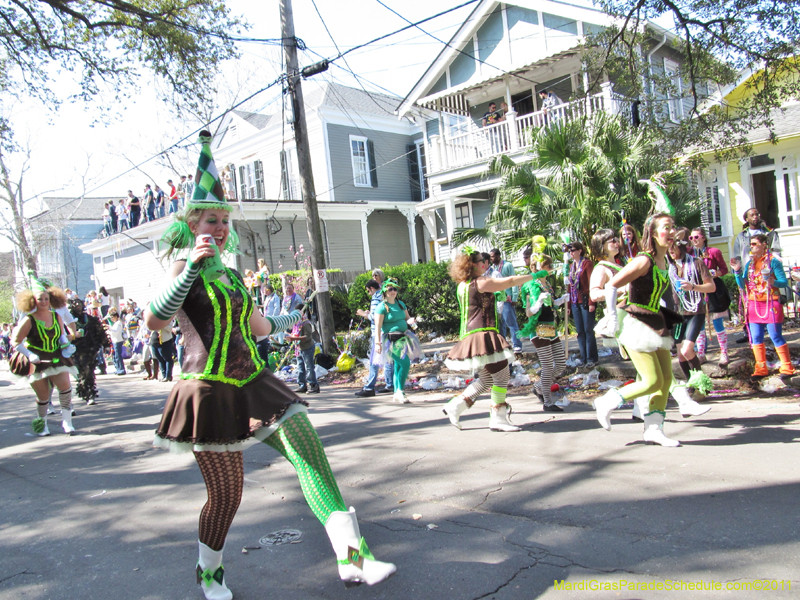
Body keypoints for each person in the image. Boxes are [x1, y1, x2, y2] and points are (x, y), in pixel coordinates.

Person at [144, 131, 396, 598]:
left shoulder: (233, 275)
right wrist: (193, 270)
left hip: (255, 382)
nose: (218, 228)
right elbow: (155, 318)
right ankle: (210, 572)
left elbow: (258, 327)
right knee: (226, 497)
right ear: (190, 223)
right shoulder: (181, 270)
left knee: (310, 453)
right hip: (207, 391)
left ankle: (354, 557)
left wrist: (293, 317)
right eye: (209, 220)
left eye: (223, 220)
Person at [592, 213, 684, 447]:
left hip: (654, 319)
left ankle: (654, 429)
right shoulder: (644, 260)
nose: (672, 232)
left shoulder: (666, 261)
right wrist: (612, 319)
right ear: (653, 233)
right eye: (666, 228)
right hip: (635, 321)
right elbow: (611, 286)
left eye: (673, 227)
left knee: (665, 380)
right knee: (652, 381)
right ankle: (608, 401)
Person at [442, 247, 535, 432]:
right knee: (501, 374)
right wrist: (534, 275)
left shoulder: (463, 285)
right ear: (472, 265)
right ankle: (498, 418)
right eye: (480, 261)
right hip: (483, 334)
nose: (484, 264)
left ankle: (455, 406)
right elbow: (509, 281)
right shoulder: (481, 282)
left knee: (486, 379)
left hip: (472, 335)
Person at [10, 274, 78, 436]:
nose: (44, 302)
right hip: (36, 360)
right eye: (40, 299)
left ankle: (67, 422)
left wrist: (67, 342)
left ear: (51, 299)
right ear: (33, 300)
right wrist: (29, 354)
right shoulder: (28, 320)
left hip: (56, 357)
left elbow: (62, 336)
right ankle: (42, 424)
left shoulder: (56, 316)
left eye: (46, 299)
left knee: (65, 388)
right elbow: (16, 342)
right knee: (43, 396)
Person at [666, 228, 715, 415]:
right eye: (669, 248)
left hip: (695, 310)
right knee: (680, 355)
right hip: (677, 313)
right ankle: (692, 385)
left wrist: (693, 286)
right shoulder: (669, 267)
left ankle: (702, 385)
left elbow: (711, 286)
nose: (671, 251)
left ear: (682, 247)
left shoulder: (696, 263)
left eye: (674, 248)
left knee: (688, 350)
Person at [732, 233, 794, 377]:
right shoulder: (750, 264)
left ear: (764, 244)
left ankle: (787, 366)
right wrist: (737, 271)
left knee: (775, 335)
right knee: (755, 337)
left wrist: (773, 282)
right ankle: (761, 368)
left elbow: (784, 282)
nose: (751, 247)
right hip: (754, 303)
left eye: (754, 244)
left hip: (771, 301)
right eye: (750, 244)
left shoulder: (773, 262)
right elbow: (743, 284)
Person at [520, 255, 569, 411]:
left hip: (550, 327)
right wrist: (539, 302)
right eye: (547, 265)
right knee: (547, 366)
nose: (550, 268)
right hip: (537, 329)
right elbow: (528, 313)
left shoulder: (547, 283)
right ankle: (548, 402)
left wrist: (560, 301)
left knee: (561, 363)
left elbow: (551, 305)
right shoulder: (529, 285)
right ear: (539, 267)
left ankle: (539, 386)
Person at [732, 208, 782, 343]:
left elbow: (776, 251)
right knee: (748, 303)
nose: (755, 217)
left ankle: (771, 331)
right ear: (747, 219)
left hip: (765, 274)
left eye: (757, 214)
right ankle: (748, 331)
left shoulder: (769, 233)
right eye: (752, 215)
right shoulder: (742, 236)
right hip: (748, 274)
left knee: (766, 300)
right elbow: (736, 255)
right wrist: (737, 270)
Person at [372, 278, 421, 404]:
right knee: (404, 363)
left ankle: (397, 393)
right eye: (390, 289)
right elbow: (378, 326)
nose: (393, 291)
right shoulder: (381, 307)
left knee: (399, 365)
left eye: (394, 289)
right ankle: (400, 391)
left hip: (404, 338)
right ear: (384, 291)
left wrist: (411, 322)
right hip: (390, 340)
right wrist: (378, 343)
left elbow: (407, 318)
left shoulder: (400, 304)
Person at [689, 226, 731, 365]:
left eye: (696, 237)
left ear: (703, 238)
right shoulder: (689, 253)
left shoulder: (714, 252)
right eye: (691, 237)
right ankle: (701, 353)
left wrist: (715, 273)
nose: (693, 240)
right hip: (697, 290)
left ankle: (724, 353)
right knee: (700, 323)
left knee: (717, 322)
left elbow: (724, 269)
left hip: (713, 289)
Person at [355, 279, 394, 397]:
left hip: (377, 332)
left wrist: (364, 314)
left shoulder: (376, 297)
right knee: (387, 358)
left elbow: (375, 316)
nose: (369, 294)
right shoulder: (384, 296)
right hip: (386, 331)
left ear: (371, 288)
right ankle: (390, 384)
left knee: (374, 359)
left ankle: (369, 387)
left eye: (368, 291)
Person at [68, 297, 109, 405]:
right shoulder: (68, 320)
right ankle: (85, 391)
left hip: (90, 349)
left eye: (79, 303)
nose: (78, 305)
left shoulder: (90, 319)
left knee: (89, 371)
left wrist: (105, 344)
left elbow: (100, 331)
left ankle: (89, 393)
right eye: (75, 304)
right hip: (76, 350)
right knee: (83, 372)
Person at [567, 241, 598, 367]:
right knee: (580, 331)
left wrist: (592, 302)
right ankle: (584, 357)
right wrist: (568, 306)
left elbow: (592, 283)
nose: (571, 253)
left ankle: (592, 358)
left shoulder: (587, 264)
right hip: (575, 302)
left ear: (580, 250)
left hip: (585, 300)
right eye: (569, 251)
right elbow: (570, 287)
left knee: (588, 329)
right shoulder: (571, 266)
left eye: (573, 250)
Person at [488, 248, 523, 354]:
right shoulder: (493, 268)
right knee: (501, 324)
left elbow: (513, 281)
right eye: (490, 257)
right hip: (498, 300)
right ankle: (503, 346)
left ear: (499, 256)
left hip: (508, 299)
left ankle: (517, 345)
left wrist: (515, 297)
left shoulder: (507, 265)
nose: (491, 259)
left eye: (493, 256)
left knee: (511, 323)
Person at [286, 311, 319, 394]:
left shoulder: (306, 324)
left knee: (309, 367)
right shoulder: (296, 324)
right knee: (300, 367)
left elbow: (308, 337)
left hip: (307, 347)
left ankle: (313, 385)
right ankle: (302, 385)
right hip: (299, 348)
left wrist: (295, 339)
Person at [107, 309, 127, 376]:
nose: (112, 319)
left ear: (116, 316)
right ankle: (118, 369)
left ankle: (121, 369)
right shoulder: (115, 323)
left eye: (113, 317)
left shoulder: (118, 323)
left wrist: (109, 327)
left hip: (118, 341)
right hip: (115, 341)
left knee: (118, 356)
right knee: (116, 356)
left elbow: (116, 331)